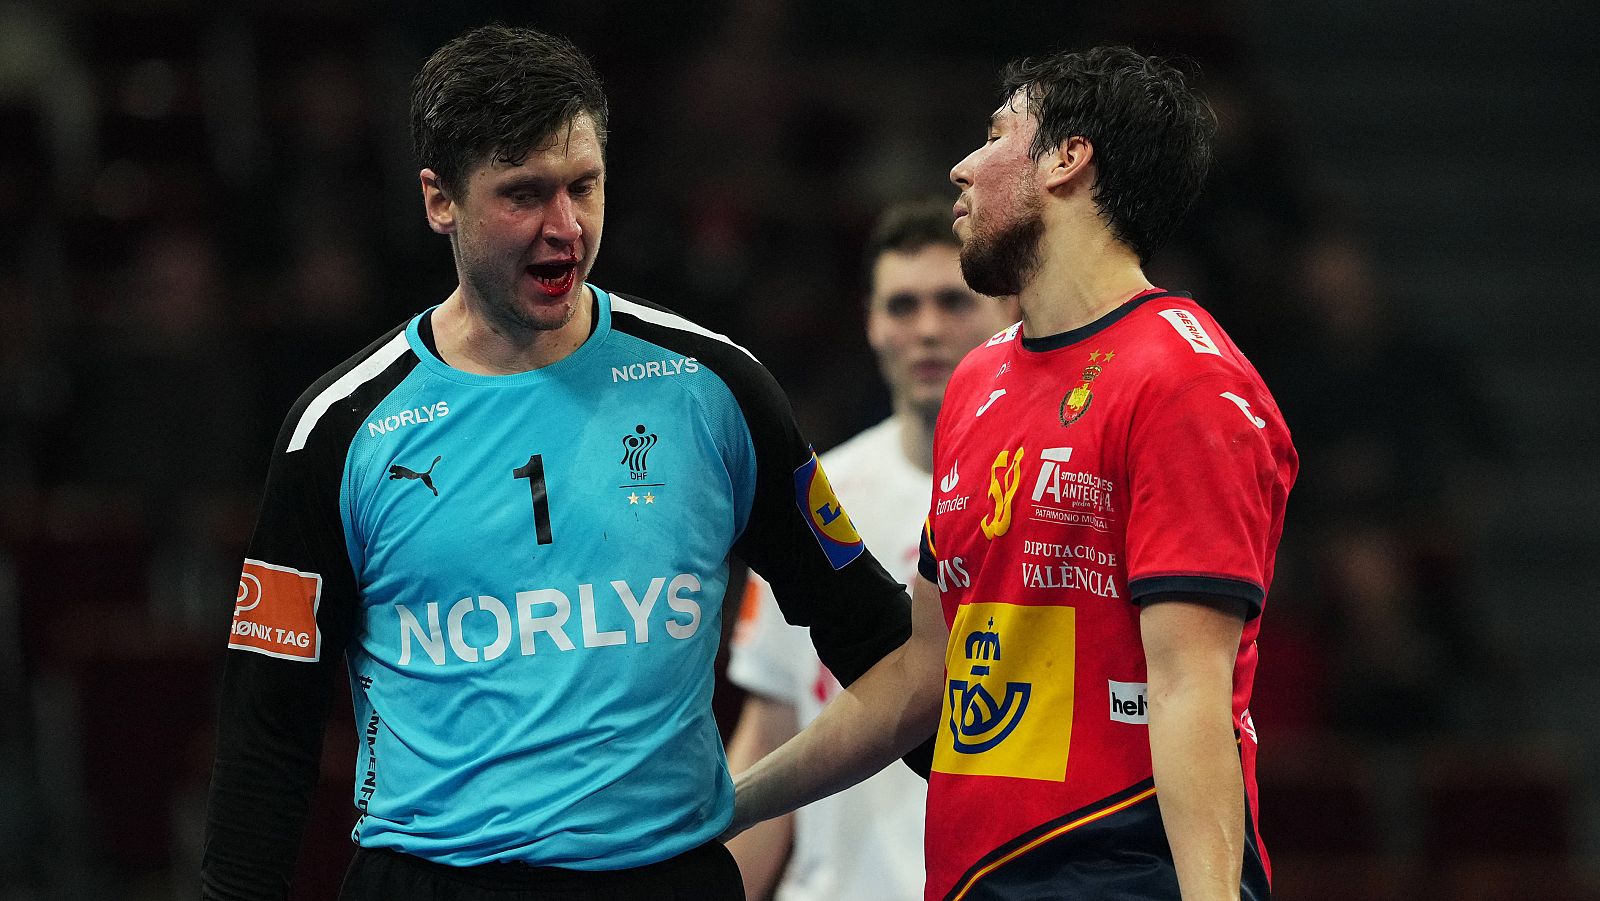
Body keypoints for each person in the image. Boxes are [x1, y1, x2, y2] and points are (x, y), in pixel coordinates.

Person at [201, 25, 918, 901]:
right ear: (439, 200)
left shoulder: (715, 388)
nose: (566, 228)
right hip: (432, 882)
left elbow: (877, 640)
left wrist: (1023, 822)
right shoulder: (339, 429)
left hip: (664, 879)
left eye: (584, 186)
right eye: (524, 194)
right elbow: (268, 733)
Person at [729, 46, 1298, 901]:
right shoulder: (979, 381)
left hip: (1120, 872)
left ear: (1067, 160)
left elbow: (1189, 690)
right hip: (973, 880)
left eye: (996, 134)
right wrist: (725, 804)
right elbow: (925, 675)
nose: (960, 167)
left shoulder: (1186, 381)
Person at [723, 200, 1019, 900]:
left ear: (1009, 307)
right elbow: (770, 736)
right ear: (871, 320)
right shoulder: (811, 499)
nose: (926, 329)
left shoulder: (1054, 493)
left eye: (953, 302)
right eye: (902, 305)